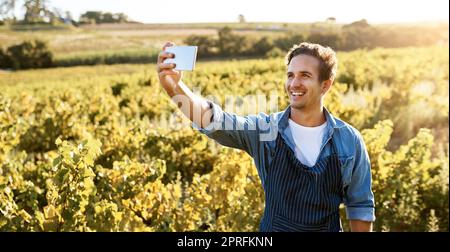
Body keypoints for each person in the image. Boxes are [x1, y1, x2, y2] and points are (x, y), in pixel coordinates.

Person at [156, 41, 375, 232]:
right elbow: (216, 122)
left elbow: (360, 207)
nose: (294, 83)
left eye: (305, 76)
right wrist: (174, 88)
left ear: (325, 85)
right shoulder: (266, 131)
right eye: (290, 75)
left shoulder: (348, 140)